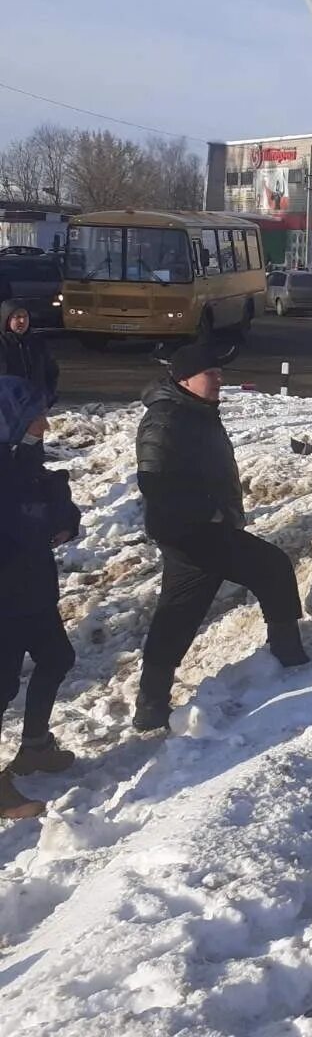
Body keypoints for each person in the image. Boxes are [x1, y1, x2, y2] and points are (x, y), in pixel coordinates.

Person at [134, 345, 309, 731]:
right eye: (210, 373)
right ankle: (289, 658)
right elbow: (154, 483)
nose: (219, 379)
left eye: (217, 372)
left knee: (177, 615)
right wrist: (209, 514)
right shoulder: (166, 419)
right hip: (194, 533)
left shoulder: (193, 410)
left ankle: (150, 705)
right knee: (273, 568)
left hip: (196, 531)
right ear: (184, 379)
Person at [0, 376, 80, 820]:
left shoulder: (22, 459)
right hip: (5, 597)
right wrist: (48, 514)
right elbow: (26, 521)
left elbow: (57, 506)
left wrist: (61, 514)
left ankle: (33, 748)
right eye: (34, 416)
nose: (44, 424)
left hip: (32, 588)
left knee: (56, 658)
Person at [0, 301, 60, 405]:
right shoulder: (2, 344)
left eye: (25, 316)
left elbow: (51, 371)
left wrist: (48, 395)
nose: (22, 321)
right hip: (7, 407)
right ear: (7, 319)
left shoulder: (36, 342)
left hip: (34, 405)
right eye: (17, 317)